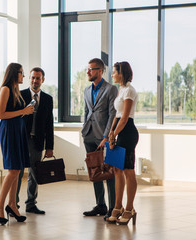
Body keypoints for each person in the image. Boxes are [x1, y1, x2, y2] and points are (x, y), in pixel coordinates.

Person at [0, 63, 34, 225]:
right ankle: (0, 206)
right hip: (9, 131)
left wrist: (25, 111)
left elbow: (14, 113)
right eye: (22, 73)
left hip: (17, 130)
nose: (23, 76)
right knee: (13, 169)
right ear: (14, 74)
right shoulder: (5, 89)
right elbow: (1, 114)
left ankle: (12, 204)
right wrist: (23, 111)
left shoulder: (15, 90)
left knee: (17, 169)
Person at [82, 58, 118, 220]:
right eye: (87, 69)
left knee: (109, 172)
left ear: (100, 71)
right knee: (95, 171)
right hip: (89, 134)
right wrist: (84, 130)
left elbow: (113, 114)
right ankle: (100, 205)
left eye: (91, 69)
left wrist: (107, 136)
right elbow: (86, 112)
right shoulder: (86, 91)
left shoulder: (111, 89)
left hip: (104, 137)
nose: (88, 72)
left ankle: (113, 207)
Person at [16, 67, 54, 215]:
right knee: (17, 173)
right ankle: (14, 204)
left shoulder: (48, 99)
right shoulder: (20, 95)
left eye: (38, 78)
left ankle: (31, 204)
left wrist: (49, 146)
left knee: (34, 174)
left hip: (37, 142)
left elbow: (49, 124)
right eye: (32, 77)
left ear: (42, 80)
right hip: (21, 140)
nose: (35, 80)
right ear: (29, 78)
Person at [106, 61, 139, 225]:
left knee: (128, 170)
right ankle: (117, 206)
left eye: (114, 72)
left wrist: (115, 134)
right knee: (117, 170)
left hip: (127, 133)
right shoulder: (121, 90)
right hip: (118, 130)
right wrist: (110, 133)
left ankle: (129, 208)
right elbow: (116, 115)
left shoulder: (130, 91)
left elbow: (125, 117)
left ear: (122, 72)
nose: (112, 74)